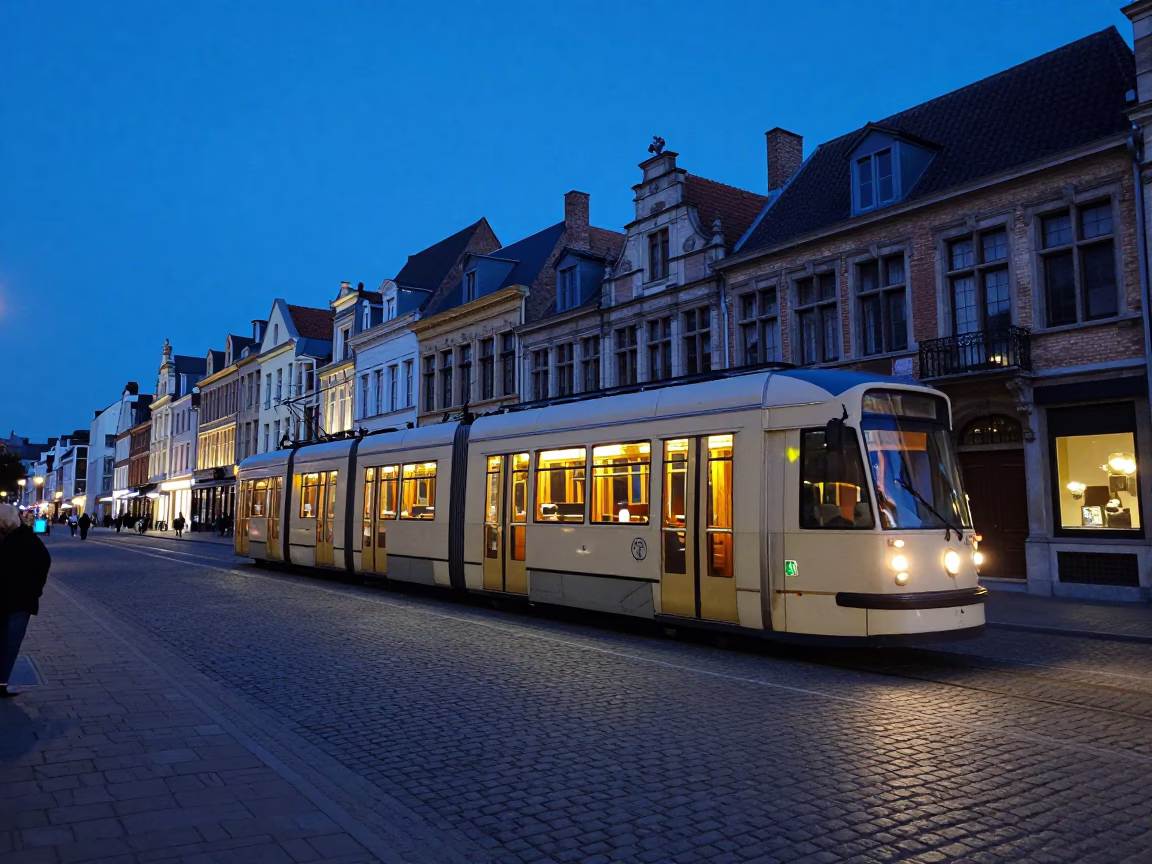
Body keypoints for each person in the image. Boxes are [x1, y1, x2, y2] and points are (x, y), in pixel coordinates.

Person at [0, 503, 51, 698]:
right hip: (17, 600)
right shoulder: (19, 538)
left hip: (18, 600)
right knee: (9, 642)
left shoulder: (24, 540)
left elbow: (42, 566)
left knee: (9, 642)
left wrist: (33, 591)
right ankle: (2, 682)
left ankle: (2, 682)